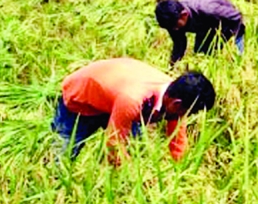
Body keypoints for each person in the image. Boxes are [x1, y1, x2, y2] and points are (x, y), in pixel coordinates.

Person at [51, 58, 216, 163]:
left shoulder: (175, 94)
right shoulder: (132, 99)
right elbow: (114, 145)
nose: (186, 117)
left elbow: (177, 141)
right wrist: (134, 180)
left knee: (135, 149)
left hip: (117, 93)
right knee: (63, 154)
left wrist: (182, 171)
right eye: (189, 112)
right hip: (82, 100)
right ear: (177, 104)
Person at [155, 0, 245, 65]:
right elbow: (179, 44)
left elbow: (236, 16)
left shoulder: (207, 9)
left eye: (176, 27)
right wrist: (172, 66)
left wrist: (229, 40)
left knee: (236, 57)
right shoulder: (171, 21)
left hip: (227, 22)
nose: (175, 30)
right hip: (204, 25)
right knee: (201, 54)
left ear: (184, 14)